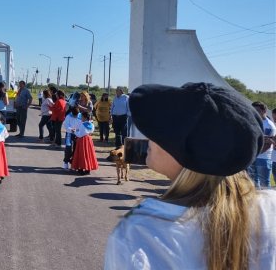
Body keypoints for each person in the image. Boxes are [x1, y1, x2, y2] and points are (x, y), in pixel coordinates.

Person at [104, 82, 276, 270]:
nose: (149, 136)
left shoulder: (140, 234)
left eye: (164, 129)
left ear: (189, 151)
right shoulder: (269, 208)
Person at [248, 101, 275, 189]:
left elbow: (267, 145)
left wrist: (255, 153)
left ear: (264, 111)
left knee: (264, 183)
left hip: (263, 157)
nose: (254, 112)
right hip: (254, 156)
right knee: (252, 182)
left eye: (257, 110)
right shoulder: (253, 121)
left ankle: (268, 202)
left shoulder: (269, 125)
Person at [70, 111, 98, 175]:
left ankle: (81, 169)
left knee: (82, 154)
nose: (81, 118)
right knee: (88, 154)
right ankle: (88, 169)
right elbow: (90, 132)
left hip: (82, 141)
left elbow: (80, 135)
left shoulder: (82, 125)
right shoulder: (92, 124)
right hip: (89, 140)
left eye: (82, 116)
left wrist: (74, 131)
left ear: (85, 117)